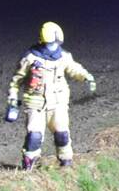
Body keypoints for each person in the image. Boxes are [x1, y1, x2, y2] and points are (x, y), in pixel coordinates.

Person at [6, 22, 96, 170]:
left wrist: (86, 76)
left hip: (58, 104)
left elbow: (74, 68)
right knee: (34, 137)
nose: (54, 46)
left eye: (56, 43)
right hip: (36, 105)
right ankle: (29, 165)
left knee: (62, 135)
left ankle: (66, 163)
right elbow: (16, 80)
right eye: (51, 43)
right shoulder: (30, 58)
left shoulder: (63, 56)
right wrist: (13, 98)